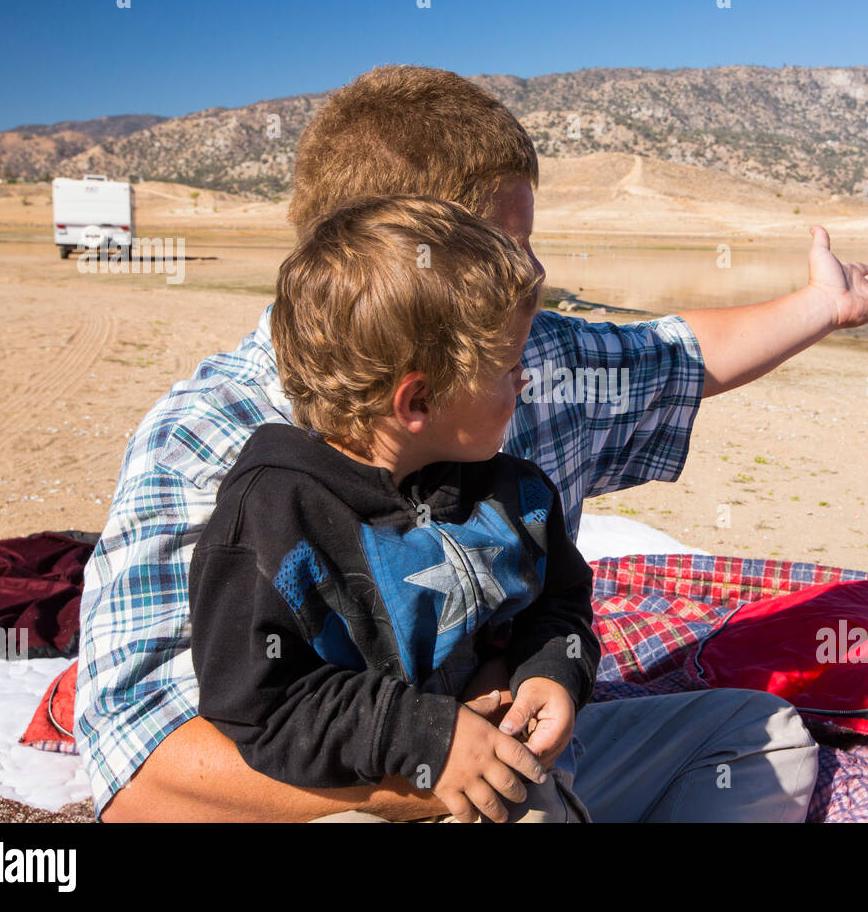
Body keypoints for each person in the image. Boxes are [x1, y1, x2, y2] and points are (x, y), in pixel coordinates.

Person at [76, 65, 868, 822]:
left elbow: (673, 357)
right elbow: (138, 765)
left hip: (533, 774)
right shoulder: (208, 441)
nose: (536, 272)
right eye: (510, 247)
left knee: (758, 737)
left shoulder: (526, 360)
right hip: (339, 803)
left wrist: (821, 308)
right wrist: (433, 771)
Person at [189, 195, 598, 822]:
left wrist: (549, 671)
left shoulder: (518, 494)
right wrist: (431, 736)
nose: (524, 382)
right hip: (384, 802)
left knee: (767, 734)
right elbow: (259, 706)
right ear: (419, 400)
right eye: (510, 366)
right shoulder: (272, 519)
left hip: (528, 768)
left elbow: (558, 605)